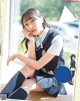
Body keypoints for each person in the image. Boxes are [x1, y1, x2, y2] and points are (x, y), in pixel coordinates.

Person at [0, 8, 67, 100]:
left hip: (54, 78)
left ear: (41, 19)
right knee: (28, 68)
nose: (30, 26)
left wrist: (17, 55)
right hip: (40, 73)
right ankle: (2, 96)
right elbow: (31, 63)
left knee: (27, 84)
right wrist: (31, 41)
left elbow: (37, 65)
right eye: (26, 24)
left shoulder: (56, 39)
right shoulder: (32, 37)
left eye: (33, 21)